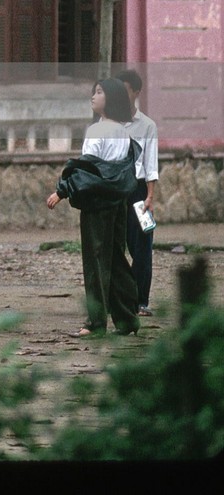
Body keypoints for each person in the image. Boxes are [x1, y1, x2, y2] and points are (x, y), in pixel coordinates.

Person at [47, 78, 140, 336]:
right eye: (94, 91)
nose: (93, 96)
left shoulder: (97, 131)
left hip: (98, 203)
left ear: (110, 98)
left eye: (99, 92)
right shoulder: (124, 132)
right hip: (118, 202)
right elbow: (119, 169)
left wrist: (61, 190)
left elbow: (88, 169)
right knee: (117, 258)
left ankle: (96, 322)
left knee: (96, 261)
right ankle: (128, 319)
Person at [117, 69, 159, 316]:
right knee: (115, 246)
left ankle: (141, 300)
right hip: (115, 191)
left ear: (136, 92)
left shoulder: (147, 126)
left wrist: (150, 196)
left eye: (125, 91)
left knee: (143, 244)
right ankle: (119, 298)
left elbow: (151, 163)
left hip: (140, 190)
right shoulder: (108, 123)